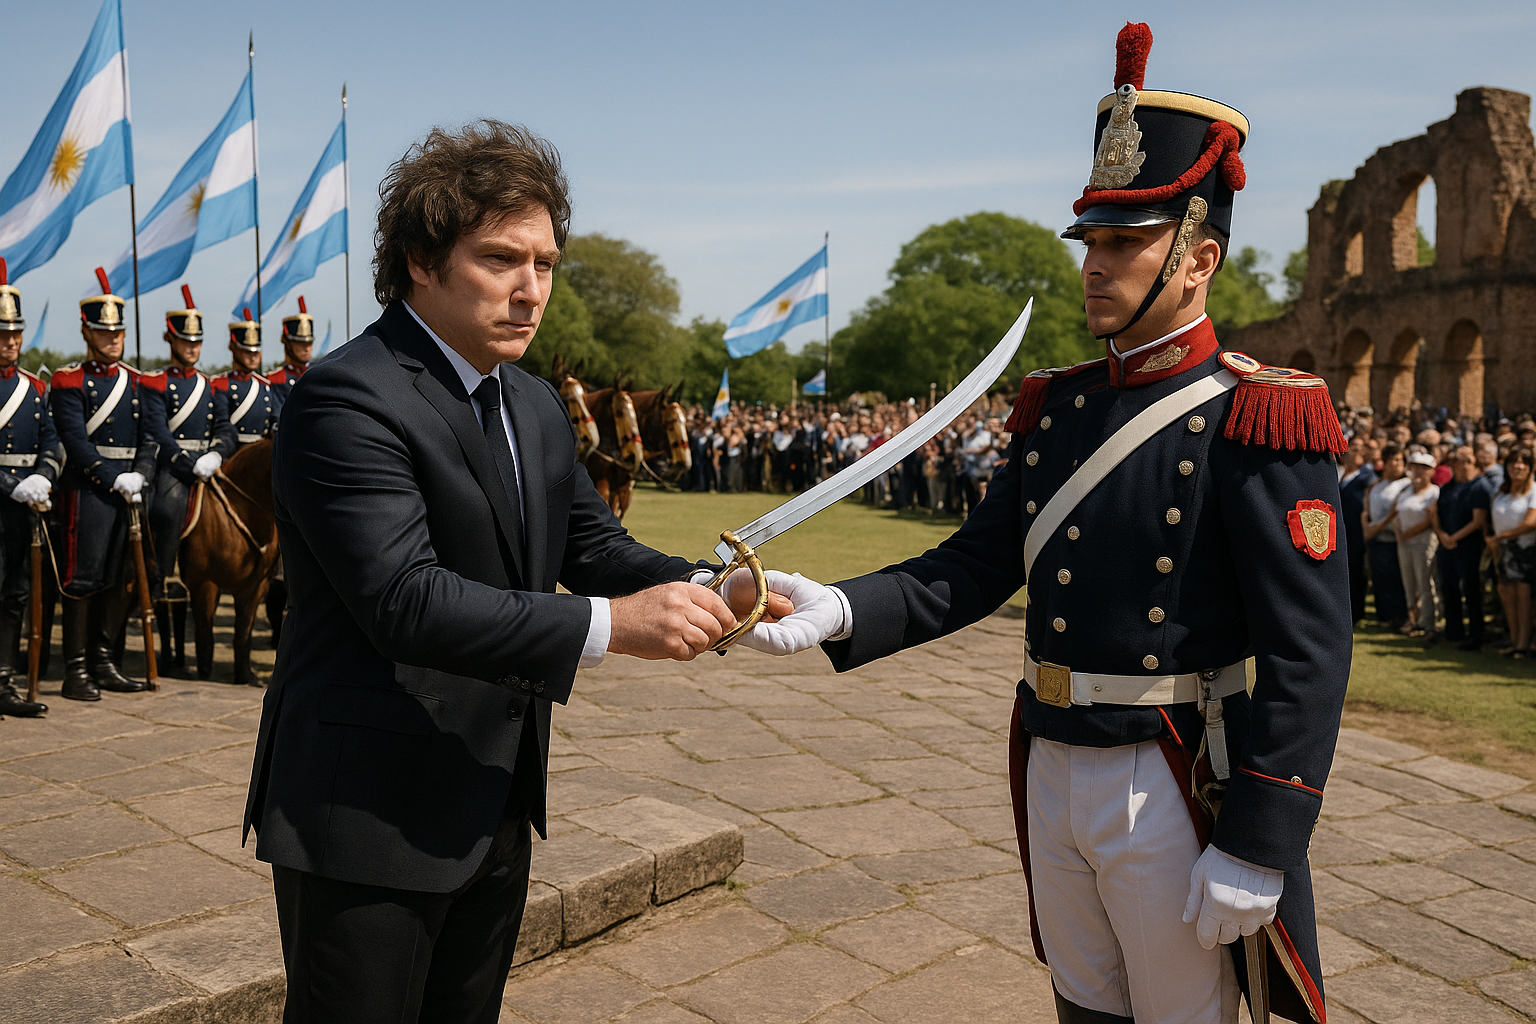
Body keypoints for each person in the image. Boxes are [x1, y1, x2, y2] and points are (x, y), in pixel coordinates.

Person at [738, 24, 1347, 1024]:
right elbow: (975, 565)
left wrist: (1262, 836)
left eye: (1125, 242)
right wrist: (841, 606)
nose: (1094, 265)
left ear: (1198, 259)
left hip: (1171, 769)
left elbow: (1310, 649)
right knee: (1085, 1010)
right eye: (1092, 242)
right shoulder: (1056, 407)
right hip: (1048, 755)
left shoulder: (1259, 414)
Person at [241, 121, 783, 1024]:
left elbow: (595, 547)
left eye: (546, 264)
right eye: (501, 260)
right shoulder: (347, 396)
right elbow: (403, 601)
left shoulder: (529, 400)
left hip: (493, 793)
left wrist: (708, 584)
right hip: (366, 811)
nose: (532, 291)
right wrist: (612, 629)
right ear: (421, 259)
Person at [49, 269, 159, 701]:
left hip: (131, 492)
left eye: (117, 332)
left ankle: (104, 661)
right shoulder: (69, 381)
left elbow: (151, 436)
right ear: (86, 332)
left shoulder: (139, 381)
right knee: (83, 581)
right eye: (103, 332)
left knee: (122, 579)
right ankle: (75, 671)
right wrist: (115, 478)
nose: (113, 339)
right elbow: (75, 442)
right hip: (89, 492)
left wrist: (142, 476)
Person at [138, 286, 237, 671]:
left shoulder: (210, 386)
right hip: (173, 470)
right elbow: (156, 431)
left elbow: (225, 427)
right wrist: (186, 461)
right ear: (170, 340)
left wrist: (217, 452)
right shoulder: (155, 383)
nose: (192, 348)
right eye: (185, 341)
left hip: (207, 468)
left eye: (197, 341)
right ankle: (162, 575)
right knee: (164, 511)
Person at [0, 259, 61, 718]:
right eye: (3, 334)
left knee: (17, 592)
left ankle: (3, 682)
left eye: (16, 333)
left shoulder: (33, 388)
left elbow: (52, 439)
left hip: (24, 506)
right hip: (5, 497)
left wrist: (44, 473)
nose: (12, 341)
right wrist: (10, 485)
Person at [1432, 445, 1491, 650]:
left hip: (1469, 547)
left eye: (1468, 460)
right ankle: (1453, 631)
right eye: (1460, 460)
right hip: (1447, 545)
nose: (1464, 465)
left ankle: (1475, 634)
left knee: (1471, 590)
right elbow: (1435, 513)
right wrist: (1441, 535)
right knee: (1449, 589)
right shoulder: (1447, 488)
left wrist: (1453, 537)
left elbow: (1478, 520)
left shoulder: (1480, 486)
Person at [1487, 447, 1536, 657]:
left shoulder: (1534, 491)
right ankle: (1515, 641)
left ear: (1530, 467)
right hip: (1502, 551)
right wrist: (1493, 539)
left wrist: (1502, 536)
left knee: (1524, 598)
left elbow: (1531, 523)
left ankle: (1524, 644)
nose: (1517, 466)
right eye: (1513, 462)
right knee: (1506, 595)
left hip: (1525, 550)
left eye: (1523, 462)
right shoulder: (1502, 491)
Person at [211, 311, 280, 447]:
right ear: (234, 347)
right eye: (247, 351)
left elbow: (276, 418)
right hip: (231, 452)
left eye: (256, 352)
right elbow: (222, 424)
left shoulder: (264, 386)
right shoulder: (220, 384)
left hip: (258, 452)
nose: (253, 357)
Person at [1392, 451, 1441, 640]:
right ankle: (1413, 619)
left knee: (1425, 582)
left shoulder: (1434, 492)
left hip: (1424, 540)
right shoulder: (1405, 491)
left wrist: (1406, 534)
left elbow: (1431, 519)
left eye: (1424, 468)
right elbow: (1396, 514)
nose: (1419, 472)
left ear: (1431, 471)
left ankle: (1428, 623)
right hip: (1404, 541)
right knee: (1409, 582)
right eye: (1415, 467)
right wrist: (1400, 534)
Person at [1363, 445, 1410, 627]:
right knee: (1381, 579)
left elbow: (1396, 512)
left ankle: (1400, 616)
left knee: (1398, 580)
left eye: (1400, 460)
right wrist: (1368, 527)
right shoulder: (1376, 486)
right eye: (1393, 460)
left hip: (1396, 538)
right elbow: (1366, 509)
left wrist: (1377, 527)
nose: (1397, 464)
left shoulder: (1406, 485)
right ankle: (1385, 616)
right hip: (1377, 539)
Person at [1337, 434, 1377, 624]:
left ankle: (1357, 612)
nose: (1357, 453)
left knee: (1356, 571)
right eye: (1354, 449)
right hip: (1343, 531)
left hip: (1357, 531)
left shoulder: (1367, 477)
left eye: (1361, 450)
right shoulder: (1341, 474)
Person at [266, 297, 314, 401]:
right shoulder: (274, 380)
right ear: (288, 343)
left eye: (309, 343)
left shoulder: (319, 375)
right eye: (300, 343)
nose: (307, 348)